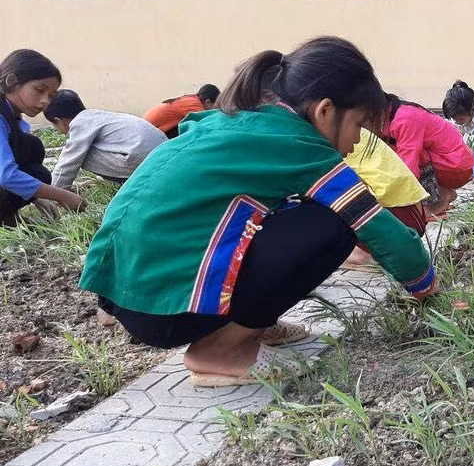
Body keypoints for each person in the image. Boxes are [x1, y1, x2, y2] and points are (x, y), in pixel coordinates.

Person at [79, 37, 437, 387]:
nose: (358, 141)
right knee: (334, 226)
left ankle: (247, 327)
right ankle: (220, 351)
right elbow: (379, 228)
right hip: (166, 312)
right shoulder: (300, 144)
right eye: (359, 126)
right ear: (325, 110)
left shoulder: (232, 122)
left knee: (292, 211)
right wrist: (426, 288)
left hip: (132, 295)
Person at [0, 49, 85, 226]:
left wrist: (36, 197)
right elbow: (5, 175)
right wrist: (60, 195)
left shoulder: (11, 114)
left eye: (51, 96)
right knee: (37, 171)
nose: (46, 101)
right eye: (39, 90)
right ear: (12, 81)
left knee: (31, 147)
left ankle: (8, 214)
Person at [44, 89, 166, 190]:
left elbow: (67, 163)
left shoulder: (79, 123)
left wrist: (56, 193)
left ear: (59, 121)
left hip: (147, 164)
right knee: (83, 148)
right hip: (164, 154)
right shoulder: (96, 115)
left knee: (78, 154)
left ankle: (132, 184)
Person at [342, 127, 429, 267]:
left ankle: (362, 252)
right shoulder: (350, 124)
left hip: (396, 220)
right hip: (411, 216)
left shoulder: (320, 132)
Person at [382, 93, 474, 217]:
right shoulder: (389, 118)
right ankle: (442, 193)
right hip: (448, 165)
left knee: (410, 156)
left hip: (457, 168)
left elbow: (408, 168)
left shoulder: (405, 119)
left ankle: (435, 203)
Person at [143, 83, 220, 138]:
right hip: (151, 131)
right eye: (216, 106)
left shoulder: (191, 99)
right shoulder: (195, 104)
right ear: (208, 102)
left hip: (149, 126)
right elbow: (210, 121)